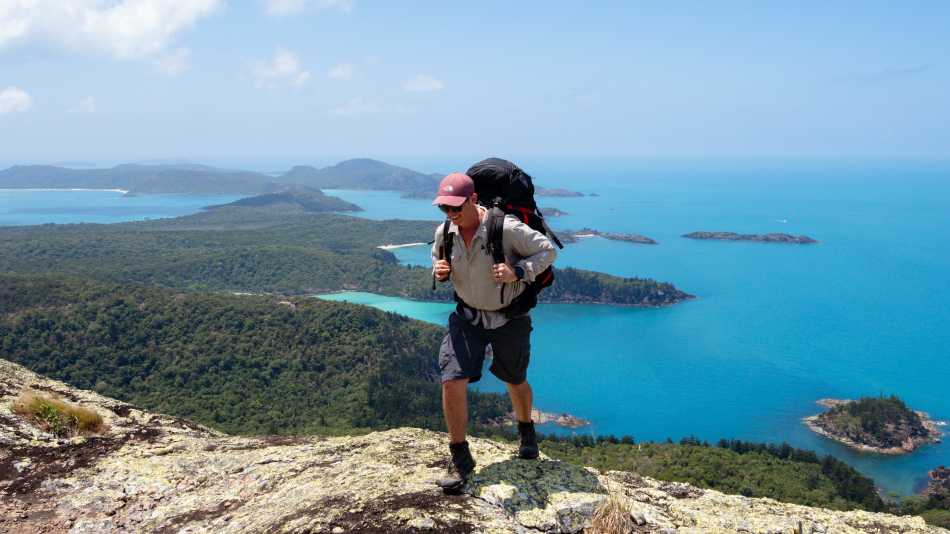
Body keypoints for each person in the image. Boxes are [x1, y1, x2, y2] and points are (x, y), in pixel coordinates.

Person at [430, 171, 557, 494]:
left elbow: (547, 251)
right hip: (467, 317)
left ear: (473, 199)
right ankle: (459, 458)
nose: (450, 214)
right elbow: (438, 258)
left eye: (456, 207)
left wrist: (518, 271)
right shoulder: (444, 232)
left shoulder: (506, 228)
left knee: (514, 379)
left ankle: (526, 430)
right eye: (444, 208)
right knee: (451, 379)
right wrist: (440, 270)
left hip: (508, 318)